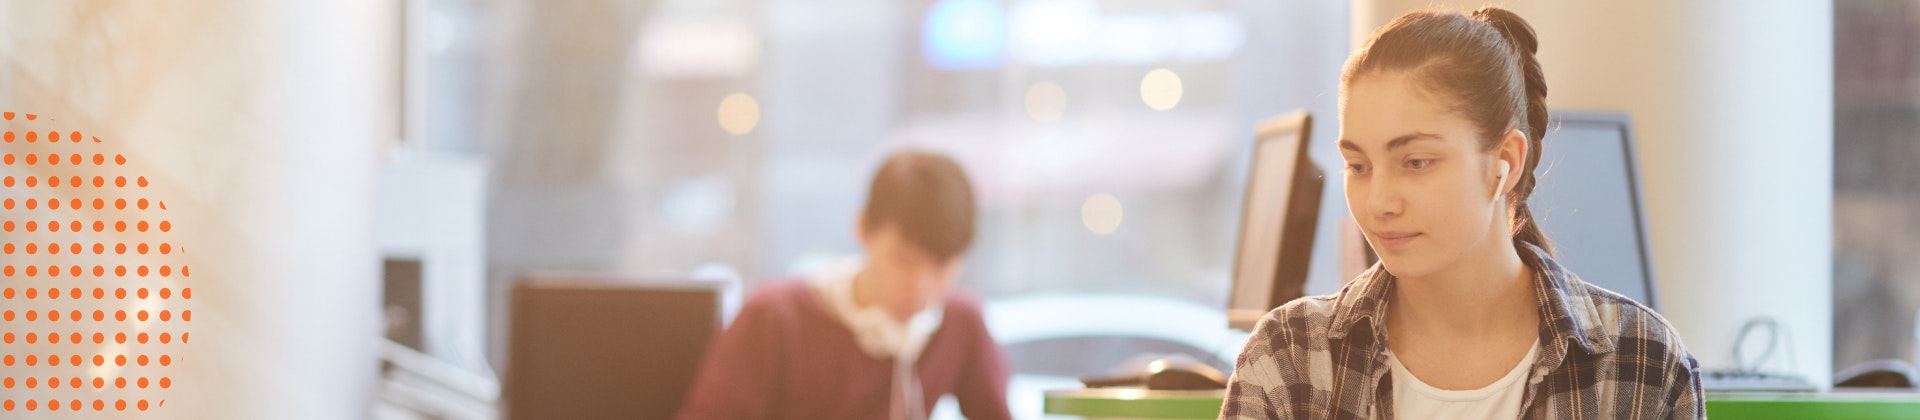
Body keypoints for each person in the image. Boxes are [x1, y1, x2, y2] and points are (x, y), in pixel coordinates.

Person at [1221, 7, 1703, 419]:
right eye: (1358, 165)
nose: (1379, 202)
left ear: (1504, 164)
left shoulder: (1641, 362)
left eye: (1416, 162)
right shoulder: (1288, 359)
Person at [677, 150, 1011, 420]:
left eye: (941, 267)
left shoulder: (960, 324)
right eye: (904, 261)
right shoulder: (775, 318)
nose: (920, 286)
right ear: (863, 227)